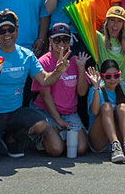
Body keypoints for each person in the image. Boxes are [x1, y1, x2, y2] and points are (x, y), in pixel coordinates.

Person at [0, 10, 61, 162]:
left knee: (42, 125)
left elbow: (44, 80)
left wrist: (58, 71)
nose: (7, 34)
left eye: (10, 29)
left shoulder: (26, 55)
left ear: (17, 30)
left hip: (14, 112)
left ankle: (12, 138)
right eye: (2, 31)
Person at [31, 23, 88, 157]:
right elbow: (45, 95)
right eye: (57, 39)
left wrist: (81, 68)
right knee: (56, 150)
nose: (61, 43)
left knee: (81, 149)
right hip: (47, 111)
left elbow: (82, 92)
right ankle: (43, 136)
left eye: (65, 39)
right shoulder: (43, 62)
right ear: (50, 40)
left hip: (70, 113)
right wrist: (59, 121)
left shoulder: (74, 60)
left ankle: (60, 135)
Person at [88, 58, 125, 163]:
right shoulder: (96, 89)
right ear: (102, 77)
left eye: (116, 75)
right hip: (99, 139)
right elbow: (94, 112)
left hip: (120, 136)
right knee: (106, 107)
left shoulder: (123, 87)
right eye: (108, 77)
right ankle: (115, 145)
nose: (112, 79)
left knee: (122, 107)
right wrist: (96, 87)